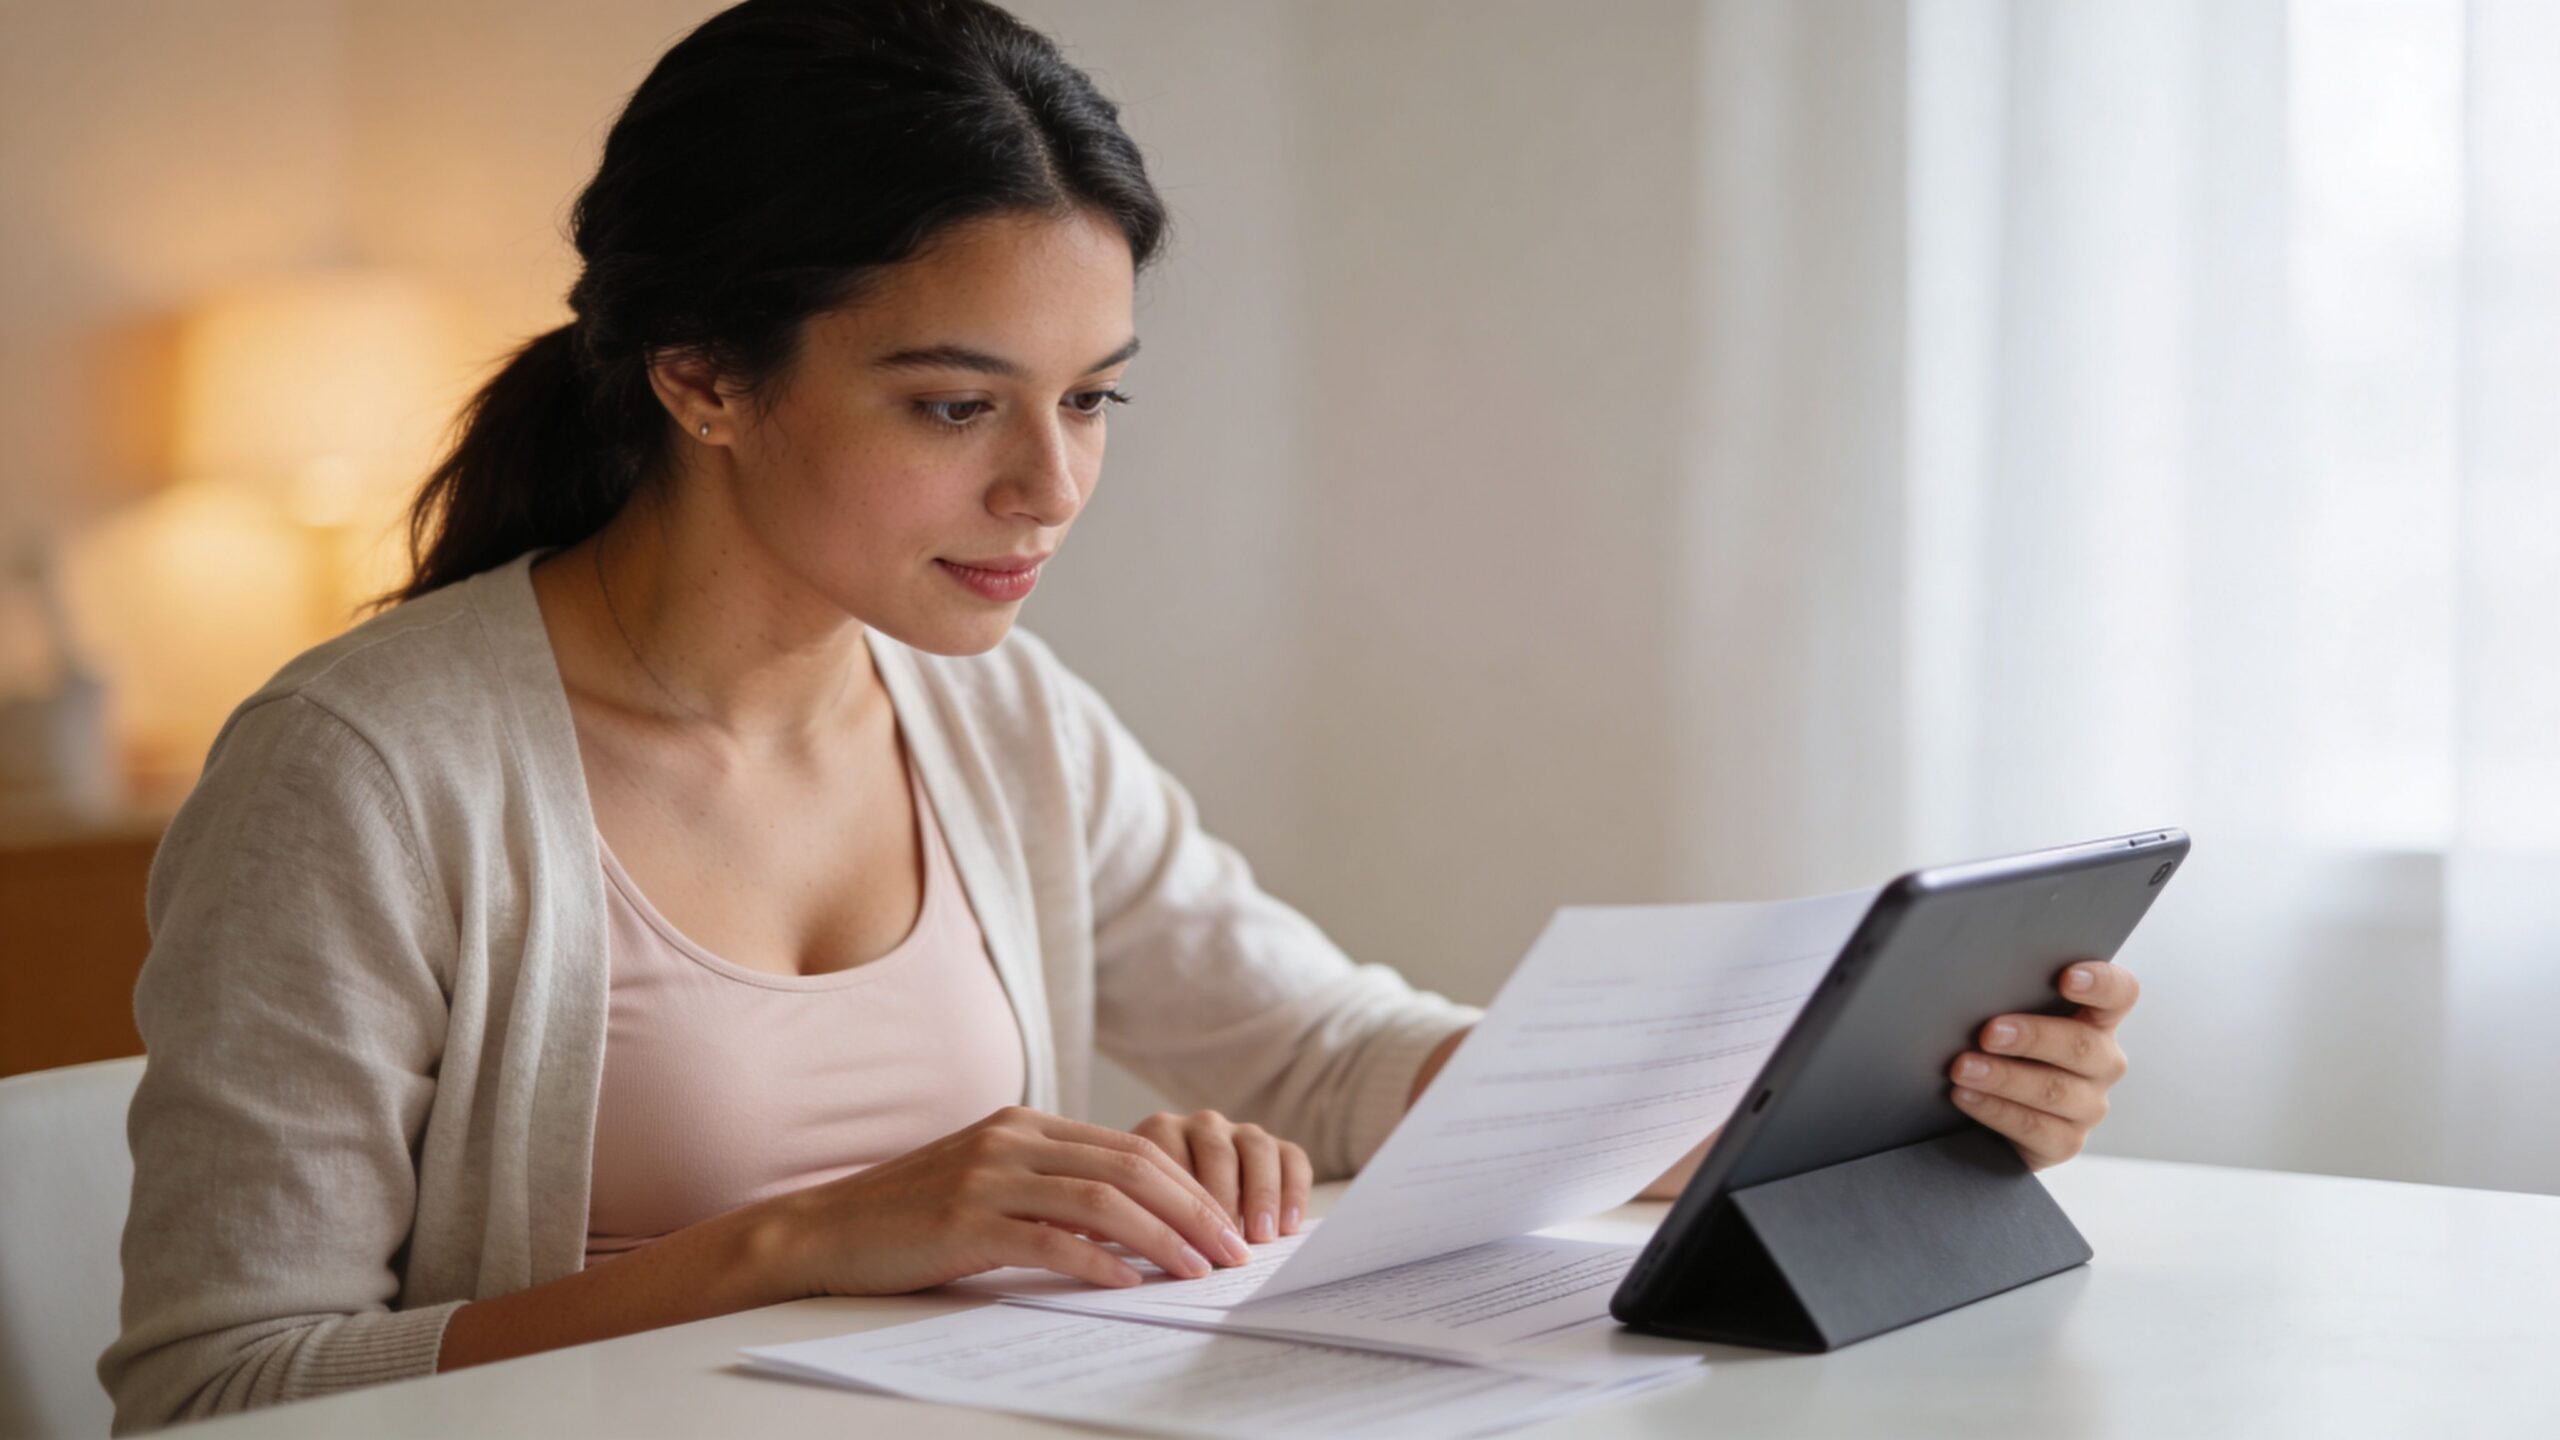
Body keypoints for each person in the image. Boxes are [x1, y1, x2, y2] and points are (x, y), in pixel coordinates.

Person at [97, 0, 2142, 1430]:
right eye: (951, 404)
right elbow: (221, 1387)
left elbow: (1333, 1057)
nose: (1047, 488)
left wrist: (1821, 1099)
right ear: (703, 377)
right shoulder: (365, 773)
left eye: (1089, 400)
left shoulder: (988, 719)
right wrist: (807, 1240)